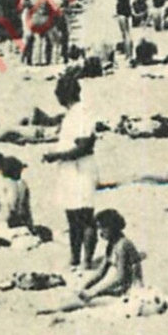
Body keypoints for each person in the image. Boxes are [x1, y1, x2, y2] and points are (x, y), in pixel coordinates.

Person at [43, 73, 99, 270]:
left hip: (81, 169)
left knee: (85, 215)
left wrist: (57, 156)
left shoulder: (82, 113)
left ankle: (87, 260)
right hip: (70, 170)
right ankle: (75, 258)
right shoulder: (73, 114)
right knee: (72, 216)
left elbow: (84, 147)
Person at [39, 209, 144, 314]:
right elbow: (100, 272)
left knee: (89, 302)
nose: (100, 233)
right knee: (83, 295)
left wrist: (95, 292)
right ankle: (57, 308)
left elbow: (120, 278)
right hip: (120, 289)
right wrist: (84, 286)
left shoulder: (122, 246)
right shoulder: (113, 244)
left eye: (102, 229)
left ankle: (55, 310)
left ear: (111, 228)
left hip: (130, 291)